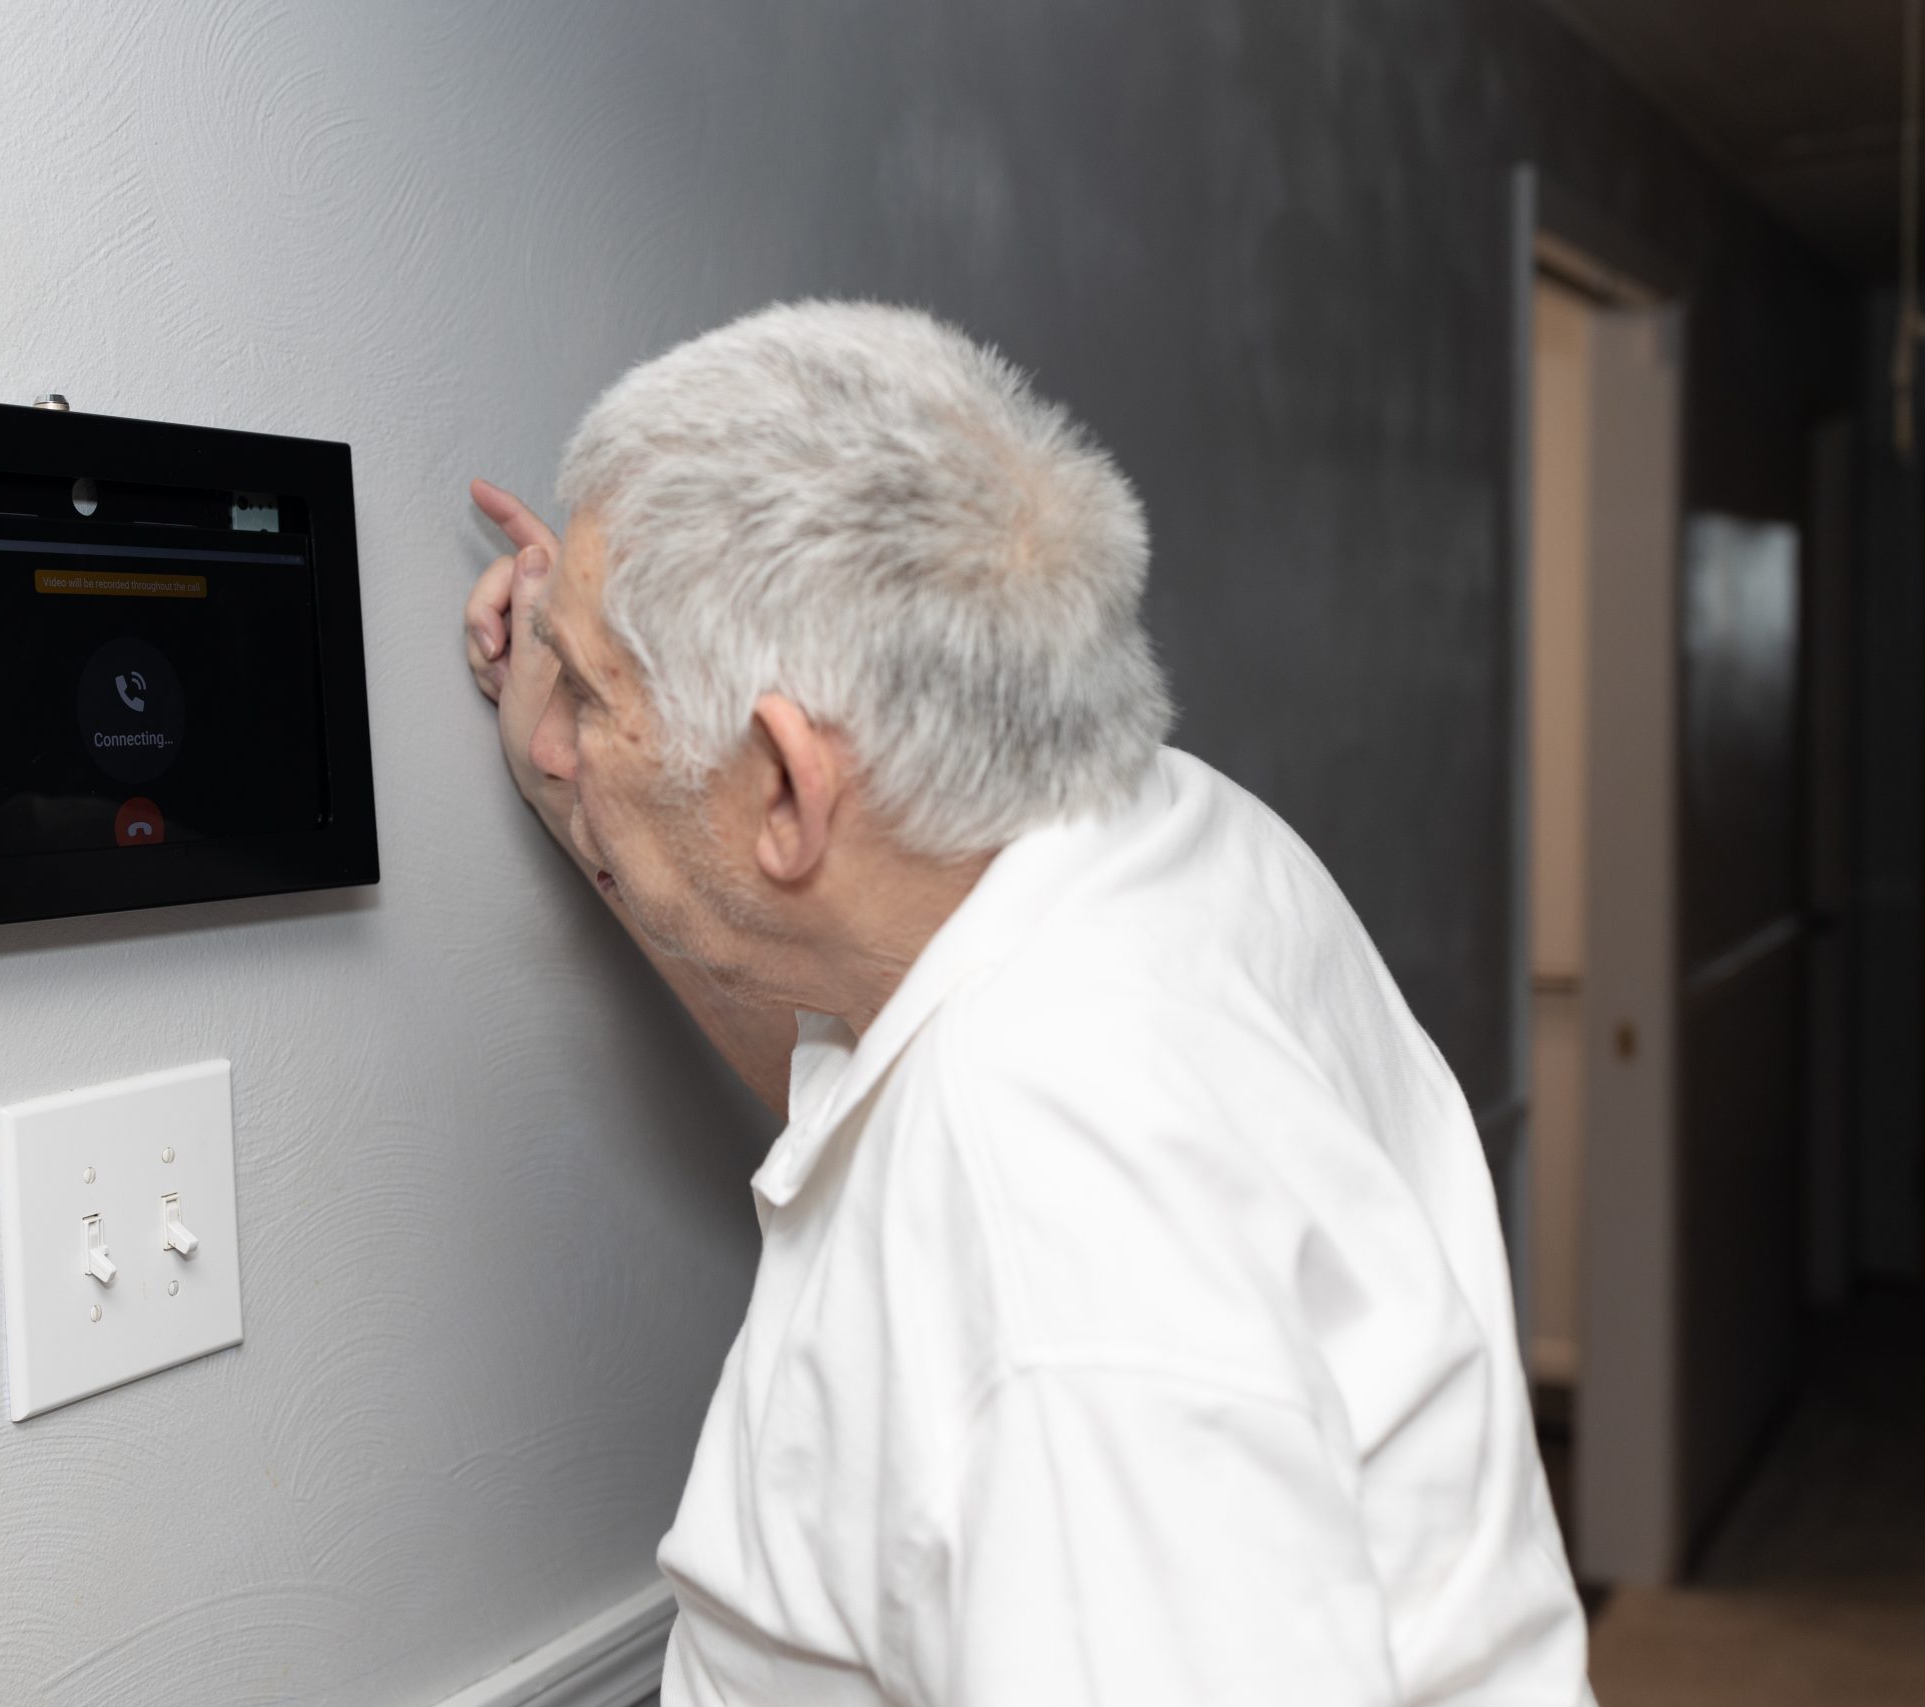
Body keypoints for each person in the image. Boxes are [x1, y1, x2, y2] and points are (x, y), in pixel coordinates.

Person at [460, 301, 1592, 1706]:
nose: (558, 725)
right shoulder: (1156, 844)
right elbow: (850, 1047)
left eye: (588, 691)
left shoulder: (1058, 1229)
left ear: (788, 790)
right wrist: (577, 750)